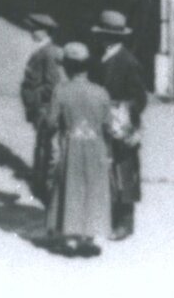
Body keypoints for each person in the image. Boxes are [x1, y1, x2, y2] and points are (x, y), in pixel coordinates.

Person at [46, 42, 112, 255]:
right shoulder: (101, 92)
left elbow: (51, 122)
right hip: (95, 146)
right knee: (93, 188)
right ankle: (88, 236)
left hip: (71, 144)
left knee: (70, 187)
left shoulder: (61, 91)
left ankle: (70, 234)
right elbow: (108, 125)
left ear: (67, 67)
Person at [94, 10, 149, 240]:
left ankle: (125, 222)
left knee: (125, 171)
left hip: (122, 126)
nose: (100, 39)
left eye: (104, 35)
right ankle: (109, 217)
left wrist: (121, 112)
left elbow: (140, 98)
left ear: (113, 37)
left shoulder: (128, 62)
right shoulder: (101, 57)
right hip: (104, 123)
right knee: (108, 170)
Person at [19, 17, 65, 204]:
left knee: (47, 147)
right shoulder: (43, 50)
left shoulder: (49, 52)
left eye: (35, 29)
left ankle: (45, 188)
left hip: (44, 108)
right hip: (39, 108)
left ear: (45, 31)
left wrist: (34, 98)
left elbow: (53, 85)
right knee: (42, 145)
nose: (32, 31)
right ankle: (39, 183)